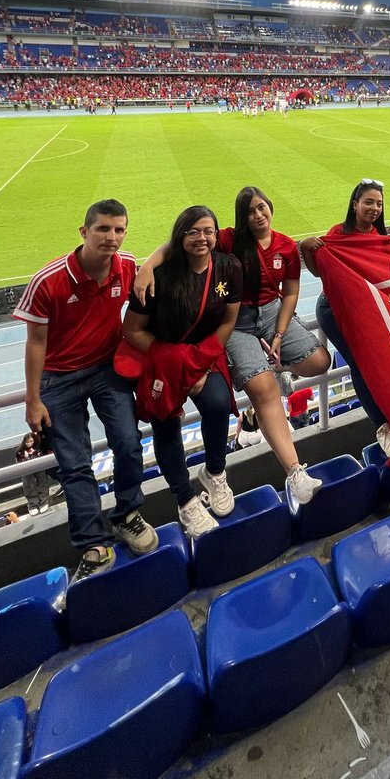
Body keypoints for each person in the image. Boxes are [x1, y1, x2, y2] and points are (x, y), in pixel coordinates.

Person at [134, 187, 326, 506]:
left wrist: (279, 335)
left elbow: (291, 292)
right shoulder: (227, 239)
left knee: (320, 362)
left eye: (262, 207)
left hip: (271, 314)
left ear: (271, 207)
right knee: (263, 390)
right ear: (241, 216)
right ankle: (296, 473)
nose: (258, 215)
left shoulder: (285, 245)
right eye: (250, 211)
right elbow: (179, 242)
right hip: (237, 322)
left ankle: (274, 367)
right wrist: (146, 267)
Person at [15, 199, 158, 582]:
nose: (112, 237)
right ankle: (94, 543)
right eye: (103, 229)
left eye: (119, 229)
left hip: (106, 369)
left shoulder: (127, 266)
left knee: (128, 442)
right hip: (58, 378)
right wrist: (33, 398)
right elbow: (36, 342)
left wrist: (148, 267)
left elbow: (166, 254)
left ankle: (127, 514)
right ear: (84, 232)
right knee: (75, 464)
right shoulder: (49, 281)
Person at [123, 205, 243, 539]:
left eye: (208, 231)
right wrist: (177, 363)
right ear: (180, 235)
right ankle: (185, 499)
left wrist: (198, 365)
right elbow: (132, 330)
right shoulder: (159, 275)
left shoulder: (229, 267)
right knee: (165, 425)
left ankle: (214, 473)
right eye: (193, 232)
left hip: (204, 356)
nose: (202, 238)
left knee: (218, 404)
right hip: (162, 360)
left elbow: (228, 322)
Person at [301, 180, 390, 458]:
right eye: (369, 202)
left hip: (365, 309)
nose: (374, 208)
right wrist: (306, 249)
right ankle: (382, 427)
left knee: (384, 361)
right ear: (355, 204)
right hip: (335, 310)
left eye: (379, 204)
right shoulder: (338, 234)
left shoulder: (379, 236)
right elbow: (320, 272)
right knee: (360, 363)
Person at [15, 431, 51, 515]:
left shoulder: (38, 448)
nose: (29, 443)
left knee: (42, 483)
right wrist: (25, 458)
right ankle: (32, 505)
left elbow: (43, 456)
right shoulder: (19, 451)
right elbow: (18, 462)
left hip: (39, 467)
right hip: (26, 470)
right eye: (27, 442)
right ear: (24, 442)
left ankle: (44, 501)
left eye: (31, 441)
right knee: (29, 485)